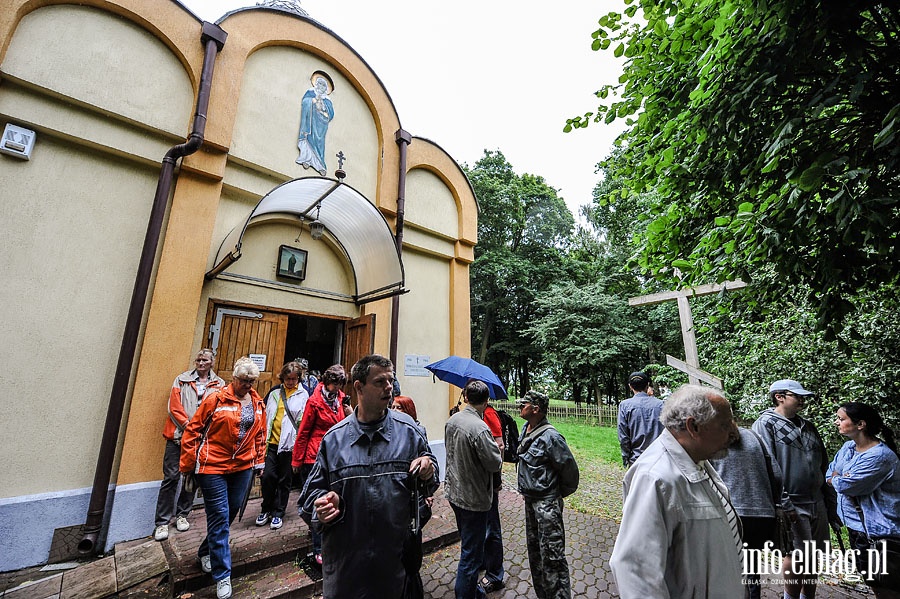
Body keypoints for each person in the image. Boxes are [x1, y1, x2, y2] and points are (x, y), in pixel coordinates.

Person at [299, 354, 438, 599]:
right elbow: (309, 499)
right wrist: (322, 507)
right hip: (348, 571)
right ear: (358, 387)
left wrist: (428, 469)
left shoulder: (409, 431)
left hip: (397, 567)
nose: (389, 387)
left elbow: (430, 481)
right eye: (380, 381)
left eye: (391, 381)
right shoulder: (334, 439)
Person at [610, 384, 742, 598]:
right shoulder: (655, 478)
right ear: (694, 427)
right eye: (725, 424)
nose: (734, 432)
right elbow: (636, 572)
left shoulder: (698, 461)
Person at [179, 357, 266, 599]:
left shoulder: (257, 402)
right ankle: (223, 575)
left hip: (242, 466)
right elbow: (193, 430)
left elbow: (260, 434)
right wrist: (187, 465)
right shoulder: (215, 399)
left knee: (231, 511)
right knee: (219, 515)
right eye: (243, 381)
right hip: (212, 465)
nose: (247, 386)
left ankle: (206, 552)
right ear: (233, 379)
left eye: (251, 382)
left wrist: (259, 460)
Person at [752, 379, 839, 599]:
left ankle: (807, 596)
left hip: (816, 500)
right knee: (796, 554)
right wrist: (782, 502)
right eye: (796, 395)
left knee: (814, 554)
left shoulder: (808, 426)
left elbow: (824, 464)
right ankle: (789, 597)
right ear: (779, 397)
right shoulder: (765, 424)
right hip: (792, 501)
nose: (802, 400)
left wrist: (830, 503)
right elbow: (767, 465)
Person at [827, 402, 900, 598]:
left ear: (860, 424)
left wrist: (838, 478)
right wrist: (838, 477)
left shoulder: (880, 456)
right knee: (872, 578)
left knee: (886, 583)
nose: (836, 422)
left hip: (879, 531)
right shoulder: (848, 447)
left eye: (841, 419)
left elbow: (846, 486)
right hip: (858, 528)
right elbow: (830, 472)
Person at [153, 348, 225, 542]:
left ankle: (182, 514)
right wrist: (188, 426)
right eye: (198, 359)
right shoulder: (182, 379)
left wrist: (202, 431)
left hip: (200, 439)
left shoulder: (219, 384)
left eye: (205, 360)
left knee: (190, 478)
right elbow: (174, 407)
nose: (200, 363)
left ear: (212, 363)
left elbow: (218, 410)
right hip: (178, 436)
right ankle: (161, 522)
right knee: (171, 478)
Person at [516, 390, 580, 599]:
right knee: (535, 554)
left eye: (523, 404)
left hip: (547, 505)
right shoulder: (526, 428)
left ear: (536, 409)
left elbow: (570, 473)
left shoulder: (551, 437)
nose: (519, 406)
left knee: (553, 557)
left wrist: (552, 496)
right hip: (530, 502)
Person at [444, 379, 503, 599]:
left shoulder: (453, 420)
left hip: (455, 494)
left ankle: (473, 591)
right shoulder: (479, 428)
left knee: (468, 543)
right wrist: (497, 451)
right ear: (487, 401)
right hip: (473, 499)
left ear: (466, 397)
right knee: (471, 554)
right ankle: (465, 594)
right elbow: (494, 463)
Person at [710, 427, 783, 599]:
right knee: (752, 567)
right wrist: (777, 503)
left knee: (726, 568)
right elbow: (777, 474)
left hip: (729, 513)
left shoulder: (710, 439)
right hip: (762, 513)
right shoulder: (754, 436)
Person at [292, 364, 348, 566]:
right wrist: (296, 460)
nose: (338, 388)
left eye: (341, 384)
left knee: (331, 500)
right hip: (314, 456)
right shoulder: (314, 401)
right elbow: (304, 432)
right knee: (319, 501)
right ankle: (318, 548)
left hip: (335, 456)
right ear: (327, 382)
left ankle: (324, 534)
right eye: (335, 384)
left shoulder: (341, 399)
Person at [256, 361, 309, 530]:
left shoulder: (303, 395)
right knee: (268, 476)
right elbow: (264, 413)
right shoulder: (274, 393)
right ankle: (266, 508)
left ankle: (279, 512)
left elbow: (303, 421)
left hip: (289, 445)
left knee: (285, 480)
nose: (290, 382)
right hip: (271, 442)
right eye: (288, 379)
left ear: (299, 378)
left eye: (294, 379)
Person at [480, 401, 506, 593]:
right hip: (479, 482)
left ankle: (495, 574)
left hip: (488, 481)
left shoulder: (488, 413)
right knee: (484, 525)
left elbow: (500, 446)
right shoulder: (477, 412)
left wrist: (496, 477)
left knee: (491, 527)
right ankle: (483, 561)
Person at [617, 371, 664, 467]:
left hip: (637, 459)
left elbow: (623, 436)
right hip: (659, 459)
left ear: (630, 386)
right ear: (647, 385)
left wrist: (626, 456)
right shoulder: (661, 404)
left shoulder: (625, 405)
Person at [295, 73, 334, 175]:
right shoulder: (310, 93)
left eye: (323, 86)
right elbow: (305, 102)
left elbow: (331, 113)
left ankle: (320, 165)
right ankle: (306, 159)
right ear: (316, 84)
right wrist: (312, 101)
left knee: (320, 144)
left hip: (321, 125)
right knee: (308, 139)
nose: (321, 87)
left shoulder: (327, 100)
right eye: (319, 84)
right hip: (309, 123)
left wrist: (323, 107)